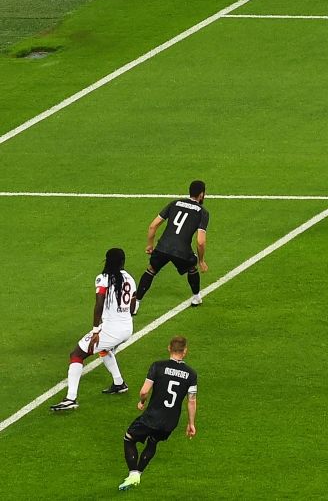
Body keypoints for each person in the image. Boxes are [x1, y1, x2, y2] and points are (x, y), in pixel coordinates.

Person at [50, 248, 136, 411]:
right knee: (103, 350)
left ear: (107, 261)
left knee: (76, 354)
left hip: (111, 329)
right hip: (127, 327)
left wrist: (96, 331)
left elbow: (99, 304)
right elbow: (133, 305)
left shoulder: (103, 279)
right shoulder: (130, 278)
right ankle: (119, 383)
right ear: (123, 262)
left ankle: (71, 398)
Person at [118, 336, 198, 491]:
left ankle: (134, 473)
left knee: (129, 438)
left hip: (152, 417)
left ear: (169, 348)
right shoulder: (191, 374)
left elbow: (144, 391)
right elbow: (192, 401)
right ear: (185, 351)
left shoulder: (158, 366)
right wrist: (191, 423)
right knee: (153, 441)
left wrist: (142, 402)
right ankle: (138, 474)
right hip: (170, 422)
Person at [134, 180, 209, 312]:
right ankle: (196, 297)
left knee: (151, 270)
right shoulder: (203, 212)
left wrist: (150, 245)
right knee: (192, 267)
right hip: (182, 251)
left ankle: (136, 303)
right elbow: (200, 241)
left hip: (163, 247)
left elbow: (153, 226)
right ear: (201, 194)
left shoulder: (175, 203)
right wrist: (201, 260)